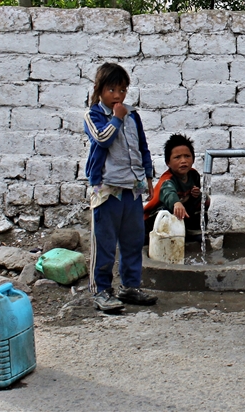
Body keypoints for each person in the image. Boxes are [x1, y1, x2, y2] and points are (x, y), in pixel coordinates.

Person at [84, 62, 158, 312]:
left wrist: (148, 176)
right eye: (112, 90)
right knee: (104, 242)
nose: (118, 96)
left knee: (133, 240)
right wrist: (116, 119)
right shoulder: (94, 115)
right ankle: (101, 290)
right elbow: (102, 139)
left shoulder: (132, 116)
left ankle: (130, 286)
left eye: (123, 90)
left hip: (132, 187)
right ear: (100, 90)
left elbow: (142, 147)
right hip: (108, 189)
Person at [143, 133, 208, 243]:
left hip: (179, 213)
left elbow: (194, 194)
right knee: (168, 211)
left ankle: (192, 229)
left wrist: (195, 193)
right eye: (177, 157)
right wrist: (175, 203)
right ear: (168, 162)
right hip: (154, 219)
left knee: (203, 199)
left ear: (193, 159)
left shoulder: (193, 175)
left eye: (187, 156)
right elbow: (168, 192)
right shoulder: (167, 179)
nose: (183, 161)